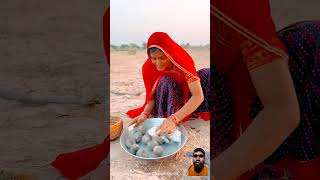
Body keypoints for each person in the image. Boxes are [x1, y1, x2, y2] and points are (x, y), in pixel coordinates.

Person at [211, 0, 320, 179]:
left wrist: (212, 174)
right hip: (242, 87)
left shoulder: (231, 6)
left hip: (298, 80)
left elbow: (282, 112)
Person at [127, 32, 210, 135]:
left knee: (207, 73)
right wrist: (144, 114)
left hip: (187, 93)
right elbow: (151, 97)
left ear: (170, 54)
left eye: (162, 58)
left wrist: (174, 119)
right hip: (167, 97)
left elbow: (198, 96)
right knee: (167, 80)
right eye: (153, 58)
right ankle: (170, 115)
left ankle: (186, 112)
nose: (158, 63)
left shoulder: (183, 62)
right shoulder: (148, 68)